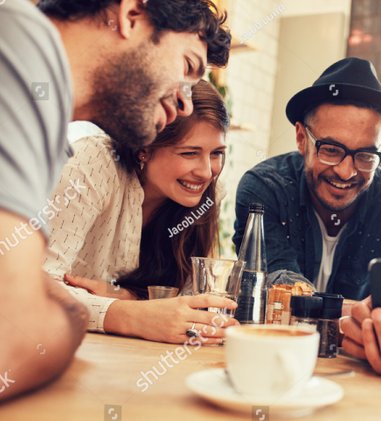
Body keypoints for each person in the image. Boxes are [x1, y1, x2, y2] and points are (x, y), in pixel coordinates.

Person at [1, 0, 230, 401]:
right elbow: (15, 339)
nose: (187, 105)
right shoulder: (20, 48)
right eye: (188, 68)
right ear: (131, 16)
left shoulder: (49, 120)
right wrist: (80, 312)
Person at [234, 57, 381, 377]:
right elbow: (274, 289)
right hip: (272, 366)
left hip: (365, 378)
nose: (346, 172)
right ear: (300, 138)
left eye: (365, 156)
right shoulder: (266, 189)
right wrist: (358, 316)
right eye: (331, 150)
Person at [44, 80, 237, 344]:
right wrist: (129, 315)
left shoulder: (206, 195)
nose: (206, 172)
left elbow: (188, 304)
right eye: (190, 153)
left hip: (124, 359)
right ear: (144, 149)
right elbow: (34, 285)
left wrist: (132, 298)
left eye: (216, 153)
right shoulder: (92, 163)